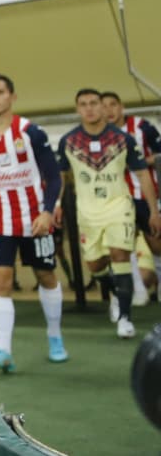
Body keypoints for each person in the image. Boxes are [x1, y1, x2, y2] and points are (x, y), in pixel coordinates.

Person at [0, 74, 67, 371]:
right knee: (0, 282)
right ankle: (3, 350)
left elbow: (55, 176)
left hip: (36, 220)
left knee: (46, 276)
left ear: (12, 97)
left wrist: (48, 211)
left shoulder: (32, 133)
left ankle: (55, 336)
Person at [57, 89, 160, 339]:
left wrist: (154, 211)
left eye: (94, 103)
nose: (90, 108)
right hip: (87, 213)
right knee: (96, 266)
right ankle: (117, 292)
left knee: (120, 255)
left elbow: (143, 175)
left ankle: (125, 319)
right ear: (77, 109)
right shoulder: (68, 142)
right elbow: (60, 176)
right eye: (84, 104)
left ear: (103, 108)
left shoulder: (123, 139)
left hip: (119, 207)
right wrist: (55, 205)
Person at [102, 91, 161, 309]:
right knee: (122, 244)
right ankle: (138, 290)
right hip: (117, 198)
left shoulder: (142, 127)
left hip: (145, 195)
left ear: (121, 107)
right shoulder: (100, 134)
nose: (108, 110)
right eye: (104, 106)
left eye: (112, 105)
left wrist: (139, 162)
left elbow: (159, 154)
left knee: (156, 241)